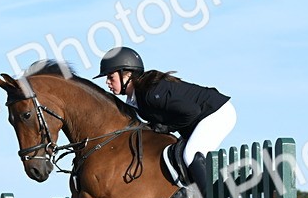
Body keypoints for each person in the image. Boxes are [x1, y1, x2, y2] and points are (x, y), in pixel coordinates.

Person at [95, 46, 235, 186]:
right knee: (178, 157)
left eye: (110, 77)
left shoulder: (150, 93)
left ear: (127, 75)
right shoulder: (136, 100)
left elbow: (192, 111)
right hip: (202, 117)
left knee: (190, 154)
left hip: (217, 113)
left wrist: (167, 128)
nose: (107, 82)